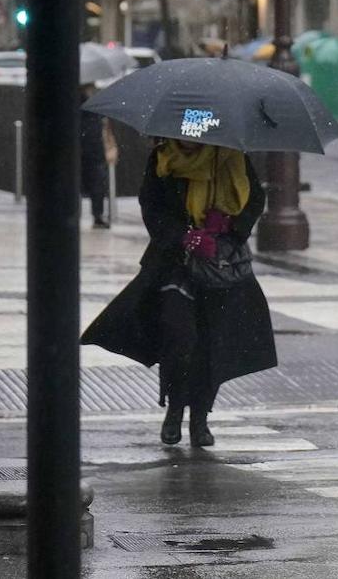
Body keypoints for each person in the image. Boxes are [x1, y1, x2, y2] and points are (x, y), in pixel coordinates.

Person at [81, 139, 276, 447]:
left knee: (211, 344)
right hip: (174, 265)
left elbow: (254, 198)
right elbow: (152, 206)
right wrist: (182, 236)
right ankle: (174, 409)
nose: (189, 140)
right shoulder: (163, 159)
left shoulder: (231, 157)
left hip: (220, 265)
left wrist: (228, 227)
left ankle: (200, 418)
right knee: (179, 337)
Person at [80, 84, 119, 229]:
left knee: (97, 184)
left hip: (93, 149)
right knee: (94, 183)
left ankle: (97, 215)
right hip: (88, 148)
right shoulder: (85, 102)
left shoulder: (96, 102)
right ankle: (97, 215)